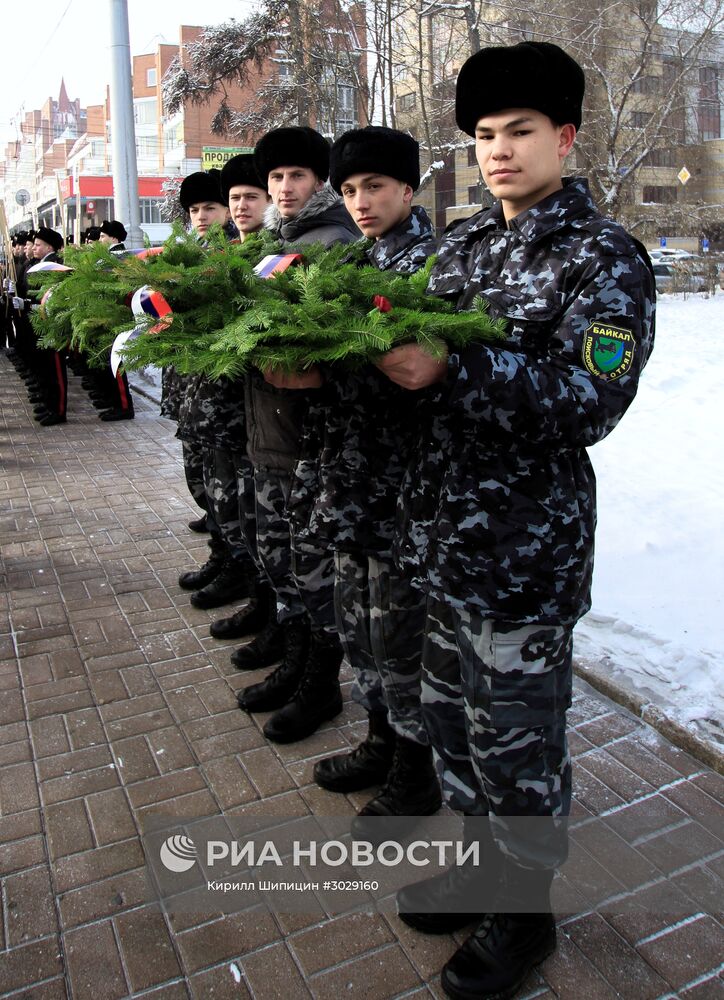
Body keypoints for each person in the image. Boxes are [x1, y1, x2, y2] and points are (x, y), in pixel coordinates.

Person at [374, 42, 656, 1000]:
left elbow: (590, 401)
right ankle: (479, 866)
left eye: (520, 132)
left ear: (565, 138)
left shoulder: (603, 258)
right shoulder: (460, 247)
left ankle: (523, 915)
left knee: (518, 743)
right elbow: (396, 355)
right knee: (453, 724)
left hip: (522, 551)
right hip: (443, 539)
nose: (498, 151)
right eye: (485, 135)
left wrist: (455, 369)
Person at [284, 126, 442, 834]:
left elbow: (433, 377)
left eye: (374, 186)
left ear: (408, 188)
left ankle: (417, 771)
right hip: (348, 482)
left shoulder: (432, 267)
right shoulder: (354, 264)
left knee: (404, 636)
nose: (360, 201)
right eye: (348, 190)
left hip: (405, 491)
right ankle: (381, 740)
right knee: (362, 630)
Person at [235, 126, 358, 744]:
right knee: (285, 558)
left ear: (320, 181)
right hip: (273, 427)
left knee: (310, 568)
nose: (284, 188)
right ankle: (299, 663)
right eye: (275, 177)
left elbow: (327, 345)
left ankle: (319, 682)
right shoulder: (279, 242)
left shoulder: (330, 243)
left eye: (297, 177)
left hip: (304, 436)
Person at [174, 169, 261, 613]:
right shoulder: (193, 253)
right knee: (209, 487)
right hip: (198, 397)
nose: (202, 216)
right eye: (194, 210)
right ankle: (222, 556)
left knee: (234, 498)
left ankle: (238, 571)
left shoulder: (237, 255)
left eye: (210, 207)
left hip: (228, 405)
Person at [15, 226, 68, 427]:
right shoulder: (41, 264)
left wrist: (27, 303)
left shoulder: (54, 265)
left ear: (48, 246)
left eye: (38, 244)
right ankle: (49, 405)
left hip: (51, 324)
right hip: (40, 322)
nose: (34, 248)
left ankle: (59, 410)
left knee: (55, 369)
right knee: (45, 368)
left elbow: (51, 297)